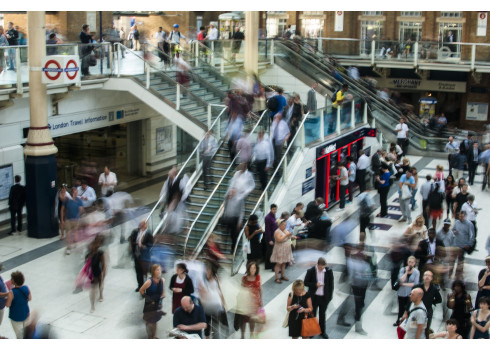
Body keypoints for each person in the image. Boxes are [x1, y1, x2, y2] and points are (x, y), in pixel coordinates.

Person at [304, 257, 333, 338]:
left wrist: (329, 297)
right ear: (317, 265)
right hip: (314, 297)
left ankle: (322, 331)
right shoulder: (311, 271)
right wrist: (315, 285)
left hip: (324, 297)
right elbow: (305, 282)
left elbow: (331, 285)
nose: (321, 269)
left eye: (323, 267)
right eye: (320, 267)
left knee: (322, 315)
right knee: (312, 314)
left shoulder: (329, 272)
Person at [199, 263, 226, 339]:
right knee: (207, 323)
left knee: (215, 322)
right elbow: (201, 293)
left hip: (216, 304)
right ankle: (207, 337)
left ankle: (215, 337)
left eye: (208, 270)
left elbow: (220, 290)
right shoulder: (203, 280)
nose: (207, 271)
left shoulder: (216, 278)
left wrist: (223, 303)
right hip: (206, 305)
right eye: (206, 270)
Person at [139, 264, 165, 339]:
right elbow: (141, 290)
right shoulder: (149, 282)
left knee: (155, 321)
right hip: (149, 305)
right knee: (148, 321)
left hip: (157, 304)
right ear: (153, 271)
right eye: (157, 270)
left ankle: (154, 336)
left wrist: (163, 295)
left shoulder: (162, 280)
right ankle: (149, 336)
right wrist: (148, 299)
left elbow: (163, 291)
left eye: (160, 269)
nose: (159, 271)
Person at [238, 261, 263, 339]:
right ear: (248, 269)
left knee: (252, 319)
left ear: (256, 269)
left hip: (255, 303)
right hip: (246, 302)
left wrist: (261, 299)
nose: (253, 270)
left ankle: (251, 334)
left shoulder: (258, 277)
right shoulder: (244, 279)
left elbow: (260, 288)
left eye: (254, 268)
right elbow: (241, 290)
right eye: (251, 268)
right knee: (243, 320)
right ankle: (242, 335)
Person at [394, 256, 420, 326]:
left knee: (408, 308)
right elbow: (401, 279)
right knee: (401, 308)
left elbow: (415, 283)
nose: (410, 264)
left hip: (410, 293)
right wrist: (406, 272)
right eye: (409, 262)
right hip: (401, 292)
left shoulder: (416, 272)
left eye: (412, 262)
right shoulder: (403, 269)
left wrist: (404, 284)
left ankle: (405, 322)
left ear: (414, 263)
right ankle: (399, 320)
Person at [129, 220, 154, 291]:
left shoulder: (148, 234)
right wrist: (135, 244)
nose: (141, 226)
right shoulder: (136, 232)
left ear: (146, 225)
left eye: (143, 224)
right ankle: (139, 285)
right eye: (140, 224)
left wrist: (144, 246)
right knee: (137, 271)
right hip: (136, 254)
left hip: (144, 256)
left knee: (144, 272)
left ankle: (145, 286)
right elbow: (132, 240)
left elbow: (151, 244)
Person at [5, 271, 31, 339]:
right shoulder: (26, 288)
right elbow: (29, 298)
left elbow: (8, 304)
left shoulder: (12, 292)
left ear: (14, 281)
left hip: (16, 317)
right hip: (25, 314)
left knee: (19, 336)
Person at [452, 211, 475, 280]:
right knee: (453, 260)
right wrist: (454, 231)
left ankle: (458, 274)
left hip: (463, 246)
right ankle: (451, 273)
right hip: (455, 244)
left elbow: (472, 235)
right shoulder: (456, 222)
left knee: (460, 260)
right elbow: (453, 230)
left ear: (465, 216)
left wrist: (469, 244)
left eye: (462, 216)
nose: (460, 218)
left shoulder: (469, 224)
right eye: (459, 216)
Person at [60, 187, 84, 255]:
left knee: (75, 237)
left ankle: (75, 244)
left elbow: (82, 210)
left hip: (76, 220)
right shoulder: (66, 200)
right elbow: (62, 210)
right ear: (72, 192)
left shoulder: (79, 200)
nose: (76, 193)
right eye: (75, 192)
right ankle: (68, 248)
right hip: (68, 220)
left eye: (77, 192)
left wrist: (81, 210)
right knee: (68, 234)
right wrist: (62, 220)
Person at [87, 235, 106, 313]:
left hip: (98, 271)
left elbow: (104, 264)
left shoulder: (100, 253)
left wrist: (103, 272)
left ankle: (101, 294)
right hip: (92, 273)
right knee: (92, 290)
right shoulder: (89, 255)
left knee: (100, 285)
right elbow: (86, 265)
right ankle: (92, 305)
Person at [271, 219, 294, 284]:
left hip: (286, 249)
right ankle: (276, 277)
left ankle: (282, 275)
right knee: (278, 263)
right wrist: (286, 235)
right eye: (283, 225)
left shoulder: (285, 230)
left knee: (284, 263)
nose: (284, 226)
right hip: (280, 249)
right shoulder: (277, 231)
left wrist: (291, 236)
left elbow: (288, 237)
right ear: (279, 225)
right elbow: (279, 240)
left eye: (285, 225)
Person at [263, 204, 278, 270]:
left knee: (273, 251)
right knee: (270, 251)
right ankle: (268, 266)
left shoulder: (273, 216)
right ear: (271, 209)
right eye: (273, 209)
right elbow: (267, 229)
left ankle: (272, 265)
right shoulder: (268, 217)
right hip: (270, 236)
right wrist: (269, 240)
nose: (274, 210)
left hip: (274, 235)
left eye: (275, 209)